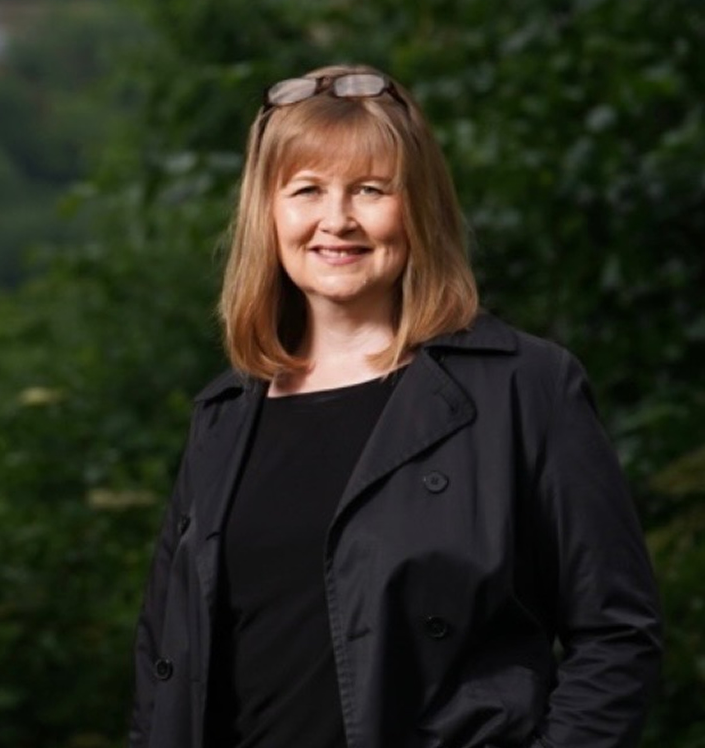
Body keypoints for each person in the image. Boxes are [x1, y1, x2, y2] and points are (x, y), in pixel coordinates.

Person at [130, 64, 662, 748]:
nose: (337, 220)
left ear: (418, 208)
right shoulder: (225, 412)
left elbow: (617, 635)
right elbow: (162, 659)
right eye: (307, 190)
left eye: (371, 190)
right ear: (268, 212)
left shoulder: (523, 387)